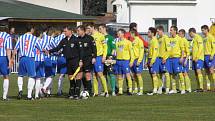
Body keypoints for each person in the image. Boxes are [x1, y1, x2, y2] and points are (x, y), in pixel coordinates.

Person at [44, 26, 83, 99]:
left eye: (65, 31)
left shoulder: (76, 39)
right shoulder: (64, 40)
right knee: (70, 77)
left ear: (70, 31)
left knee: (77, 77)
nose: (64, 33)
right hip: (68, 61)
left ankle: (77, 94)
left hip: (76, 60)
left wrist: (81, 60)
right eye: (64, 31)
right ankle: (71, 93)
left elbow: (81, 51)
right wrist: (49, 51)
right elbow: (57, 48)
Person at [12, 25, 42, 100]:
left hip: (22, 58)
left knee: (20, 75)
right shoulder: (34, 38)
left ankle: (20, 90)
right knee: (31, 76)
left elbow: (15, 49)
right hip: (30, 58)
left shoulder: (21, 37)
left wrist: (12, 58)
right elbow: (40, 47)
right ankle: (29, 95)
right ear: (31, 30)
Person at [86, 24, 109, 97]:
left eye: (89, 28)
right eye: (87, 29)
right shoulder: (89, 37)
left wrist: (104, 56)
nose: (88, 30)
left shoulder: (100, 36)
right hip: (91, 58)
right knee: (94, 75)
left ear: (93, 28)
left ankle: (106, 91)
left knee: (100, 74)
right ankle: (96, 92)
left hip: (99, 57)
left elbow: (105, 46)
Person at [76, 25, 97, 96]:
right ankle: (81, 90)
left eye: (78, 31)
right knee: (80, 75)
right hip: (79, 60)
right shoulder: (77, 39)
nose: (77, 32)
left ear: (82, 31)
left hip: (88, 59)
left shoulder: (90, 38)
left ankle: (89, 91)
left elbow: (94, 48)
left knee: (87, 75)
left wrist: (94, 57)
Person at [98, 24, 117, 96]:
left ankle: (113, 91)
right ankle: (105, 90)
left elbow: (114, 48)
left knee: (111, 73)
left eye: (100, 29)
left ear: (104, 29)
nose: (99, 30)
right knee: (104, 74)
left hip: (109, 57)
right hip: (102, 57)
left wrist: (111, 57)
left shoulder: (110, 38)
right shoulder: (100, 37)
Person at [115, 29, 134, 95]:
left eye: (119, 34)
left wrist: (131, 61)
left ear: (123, 34)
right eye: (118, 34)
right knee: (119, 76)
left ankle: (130, 90)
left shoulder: (128, 42)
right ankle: (120, 91)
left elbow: (132, 53)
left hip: (125, 61)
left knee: (128, 75)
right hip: (118, 61)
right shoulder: (117, 43)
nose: (118, 35)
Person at [168, 26, 186, 94]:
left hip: (177, 58)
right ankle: (174, 89)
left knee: (179, 73)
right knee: (172, 74)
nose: (170, 31)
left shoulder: (179, 39)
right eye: (170, 30)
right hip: (170, 58)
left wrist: (181, 57)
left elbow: (182, 49)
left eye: (171, 30)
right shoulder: (169, 39)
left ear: (175, 31)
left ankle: (183, 89)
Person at [41, 27, 57, 97]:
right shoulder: (51, 39)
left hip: (40, 58)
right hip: (47, 58)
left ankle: (43, 92)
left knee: (42, 76)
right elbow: (56, 48)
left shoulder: (43, 37)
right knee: (50, 76)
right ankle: (45, 89)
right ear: (53, 33)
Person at [156, 26, 171, 94]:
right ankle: (160, 88)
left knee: (166, 73)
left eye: (158, 31)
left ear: (161, 31)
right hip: (159, 59)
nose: (157, 33)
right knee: (159, 74)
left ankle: (167, 89)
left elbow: (169, 50)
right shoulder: (158, 38)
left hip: (164, 58)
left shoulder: (166, 38)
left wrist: (165, 58)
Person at [129, 29, 144, 96]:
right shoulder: (133, 41)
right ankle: (136, 89)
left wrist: (139, 60)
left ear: (133, 34)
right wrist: (131, 61)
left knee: (138, 75)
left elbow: (141, 51)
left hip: (138, 59)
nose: (130, 35)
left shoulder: (139, 41)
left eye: (131, 34)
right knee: (134, 75)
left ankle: (141, 90)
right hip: (133, 60)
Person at [189, 28, 204, 92]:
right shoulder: (193, 39)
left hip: (199, 58)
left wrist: (197, 57)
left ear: (192, 32)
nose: (189, 35)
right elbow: (193, 49)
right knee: (195, 73)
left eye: (189, 33)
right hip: (194, 58)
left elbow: (200, 48)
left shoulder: (198, 37)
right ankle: (198, 87)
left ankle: (201, 87)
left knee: (198, 71)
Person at [0, 26, 13, 100]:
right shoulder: (7, 36)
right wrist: (10, 60)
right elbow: (8, 49)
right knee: (6, 76)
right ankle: (4, 96)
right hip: (3, 57)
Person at [146, 27, 159, 95]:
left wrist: (152, 61)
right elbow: (149, 52)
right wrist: (146, 61)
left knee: (154, 74)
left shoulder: (155, 41)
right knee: (152, 75)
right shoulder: (150, 41)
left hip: (153, 59)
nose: (147, 33)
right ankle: (155, 88)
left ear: (152, 33)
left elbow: (155, 52)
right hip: (149, 59)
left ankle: (155, 90)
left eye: (149, 32)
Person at [201, 25, 215, 91]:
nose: (202, 31)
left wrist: (212, 55)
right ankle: (208, 87)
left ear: (207, 30)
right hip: (204, 56)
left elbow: (214, 47)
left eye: (203, 30)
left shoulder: (211, 37)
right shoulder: (203, 38)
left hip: (210, 56)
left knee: (211, 71)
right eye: (202, 30)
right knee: (206, 72)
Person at [54, 28, 66, 96]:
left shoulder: (56, 38)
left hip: (58, 58)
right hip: (64, 57)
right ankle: (59, 90)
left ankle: (58, 89)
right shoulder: (65, 38)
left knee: (60, 75)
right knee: (63, 75)